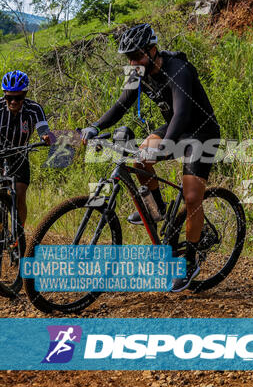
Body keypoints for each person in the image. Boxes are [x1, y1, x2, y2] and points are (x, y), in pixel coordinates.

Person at [81, 23, 221, 292]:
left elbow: (181, 114)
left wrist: (166, 145)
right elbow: (123, 102)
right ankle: (157, 210)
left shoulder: (177, 69)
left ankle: (189, 263)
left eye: (136, 55)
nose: (133, 62)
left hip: (201, 132)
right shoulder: (137, 71)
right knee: (140, 159)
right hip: (174, 129)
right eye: (128, 57)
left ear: (152, 50)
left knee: (192, 197)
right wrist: (96, 126)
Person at [0, 70, 51, 226]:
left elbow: (43, 129)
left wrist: (46, 136)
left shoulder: (34, 108)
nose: (13, 102)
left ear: (25, 94)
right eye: (9, 97)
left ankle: (19, 235)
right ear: (4, 95)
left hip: (20, 155)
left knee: (20, 194)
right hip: (0, 154)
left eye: (18, 97)